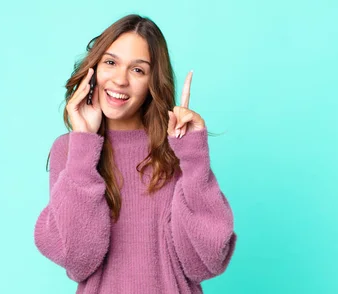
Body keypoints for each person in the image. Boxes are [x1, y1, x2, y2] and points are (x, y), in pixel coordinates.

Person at [34, 14, 237, 293]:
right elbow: (78, 260)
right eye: (111, 62)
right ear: (93, 69)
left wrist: (193, 157)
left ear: (152, 83)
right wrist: (84, 142)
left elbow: (204, 262)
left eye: (138, 70)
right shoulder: (70, 149)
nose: (120, 80)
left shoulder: (177, 148)